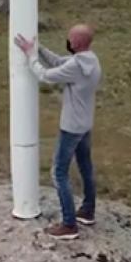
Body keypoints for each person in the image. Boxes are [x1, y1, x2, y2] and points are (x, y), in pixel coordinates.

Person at [13, 24, 102, 240]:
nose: (68, 41)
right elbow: (57, 62)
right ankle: (88, 210)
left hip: (71, 127)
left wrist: (29, 56)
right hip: (85, 124)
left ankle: (69, 224)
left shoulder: (76, 67)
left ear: (77, 43)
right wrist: (37, 48)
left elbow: (44, 75)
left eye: (70, 38)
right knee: (85, 167)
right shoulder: (90, 60)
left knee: (59, 172)